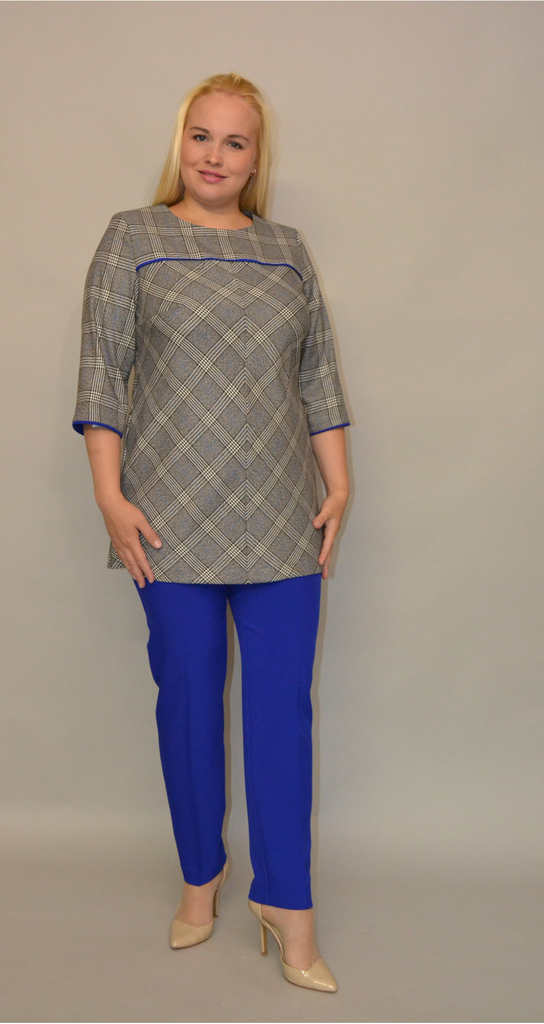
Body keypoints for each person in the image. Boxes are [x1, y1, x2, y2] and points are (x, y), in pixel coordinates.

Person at [73, 73, 349, 993]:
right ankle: (201, 878)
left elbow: (317, 376)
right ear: (180, 142)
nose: (214, 156)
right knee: (188, 706)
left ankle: (288, 905)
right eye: (201, 136)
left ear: (256, 158)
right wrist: (109, 496)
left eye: (235, 142)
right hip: (166, 518)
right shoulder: (132, 238)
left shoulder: (286, 250)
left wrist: (340, 484)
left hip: (282, 516)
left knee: (281, 718)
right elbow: (103, 372)